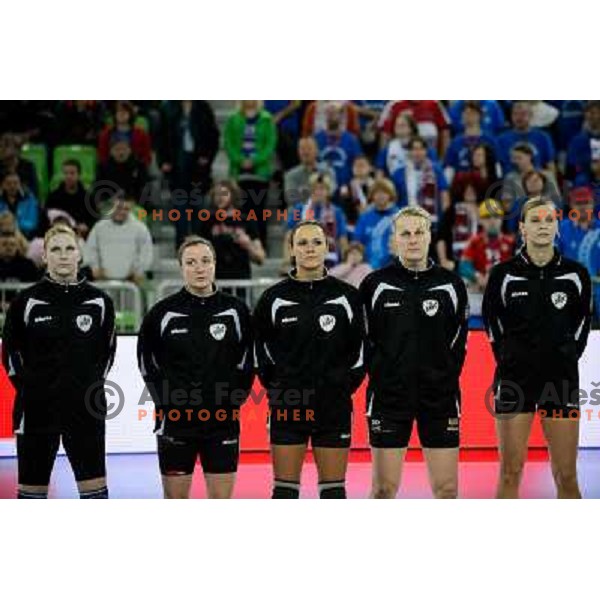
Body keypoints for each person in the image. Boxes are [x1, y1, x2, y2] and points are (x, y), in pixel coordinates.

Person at [483, 196, 592, 499]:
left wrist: (564, 357)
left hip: (561, 382)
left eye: (549, 220)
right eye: (535, 220)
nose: (542, 226)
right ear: (522, 229)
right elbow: (493, 329)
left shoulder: (576, 275)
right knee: (510, 472)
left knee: (567, 475)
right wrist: (512, 360)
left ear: (557, 227)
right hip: (514, 381)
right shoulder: (503, 275)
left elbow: (581, 328)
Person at [359, 206, 469, 498]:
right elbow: (364, 341)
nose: (412, 239)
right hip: (389, 399)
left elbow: (459, 343)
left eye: (419, 232)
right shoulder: (374, 285)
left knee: (447, 490)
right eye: (405, 233)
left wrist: (441, 378)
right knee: (383, 490)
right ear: (394, 239)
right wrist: (385, 377)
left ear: (429, 236)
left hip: (440, 399)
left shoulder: (451, 284)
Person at [1, 224, 116, 499]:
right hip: (37, 411)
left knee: (96, 495)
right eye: (55, 249)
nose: (63, 255)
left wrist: (85, 387)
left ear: (79, 254)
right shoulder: (25, 302)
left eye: (69, 249)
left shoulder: (100, 301)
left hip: (85, 410)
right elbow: (10, 356)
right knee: (32, 495)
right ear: (44, 257)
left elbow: (107, 354)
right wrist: (33, 391)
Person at [254, 220, 366, 499]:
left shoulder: (348, 296)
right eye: (302, 243)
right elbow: (260, 352)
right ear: (292, 249)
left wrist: (340, 386)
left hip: (334, 407)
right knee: (284, 493)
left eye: (317, 242)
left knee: (333, 493)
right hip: (288, 407)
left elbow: (361, 350)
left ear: (327, 247)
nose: (310, 248)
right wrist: (281, 389)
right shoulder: (273, 298)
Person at [137, 236, 253, 499]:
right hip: (176, 423)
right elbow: (146, 363)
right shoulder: (161, 313)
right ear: (181, 268)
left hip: (222, 421)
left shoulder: (237, 311)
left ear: (214, 265)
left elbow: (248, 360)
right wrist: (168, 403)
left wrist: (233, 399)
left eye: (205, 261)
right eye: (191, 262)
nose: (199, 268)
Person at [223, 101, 277, 248]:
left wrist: (254, 161)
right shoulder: (233, 119)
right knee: (241, 211)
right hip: (238, 173)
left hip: (260, 173)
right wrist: (240, 160)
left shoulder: (267, 119)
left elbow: (270, 144)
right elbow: (228, 143)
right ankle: (243, 245)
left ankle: (261, 245)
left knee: (259, 211)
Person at [198, 180, 266, 281]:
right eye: (216, 194)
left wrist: (248, 245)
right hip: (215, 280)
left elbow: (260, 258)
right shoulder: (207, 221)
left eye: (224, 194)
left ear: (233, 195)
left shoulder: (246, 220)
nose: (219, 198)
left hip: (241, 278)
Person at [84, 193, 153, 285]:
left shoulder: (140, 228)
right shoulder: (99, 227)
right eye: (119, 208)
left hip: (131, 282)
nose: (121, 212)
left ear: (131, 209)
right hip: (103, 281)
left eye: (126, 209)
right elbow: (90, 249)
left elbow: (146, 252)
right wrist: (95, 268)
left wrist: (139, 271)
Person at [159, 100, 220, 205]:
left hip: (199, 161)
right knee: (179, 201)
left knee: (197, 201)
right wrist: (163, 160)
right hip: (176, 160)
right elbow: (160, 135)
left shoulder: (203, 107)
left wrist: (207, 156)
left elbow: (213, 135)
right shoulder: (167, 107)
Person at [285, 173, 348, 270]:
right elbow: (289, 235)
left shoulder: (336, 211)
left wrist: (345, 261)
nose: (318, 192)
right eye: (315, 189)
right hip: (302, 258)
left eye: (322, 189)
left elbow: (342, 238)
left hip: (330, 260)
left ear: (328, 191)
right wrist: (287, 261)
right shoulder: (300, 209)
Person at [393, 136, 450, 229]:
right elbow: (393, 200)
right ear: (409, 152)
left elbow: (445, 197)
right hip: (406, 222)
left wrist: (444, 222)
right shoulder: (398, 173)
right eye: (414, 149)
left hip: (432, 223)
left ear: (426, 151)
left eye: (421, 149)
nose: (417, 153)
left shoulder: (436, 171)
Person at [459, 200, 515, 292]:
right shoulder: (474, 242)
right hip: (480, 291)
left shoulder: (511, 243)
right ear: (480, 220)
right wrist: (477, 276)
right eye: (487, 217)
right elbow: (464, 266)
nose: (492, 221)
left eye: (496, 216)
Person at [444, 101, 498, 181]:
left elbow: (496, 165)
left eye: (472, 113)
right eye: (465, 113)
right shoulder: (455, 142)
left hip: (485, 183)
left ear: (480, 116)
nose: (468, 116)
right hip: (462, 183)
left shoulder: (490, 140)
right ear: (461, 116)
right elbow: (449, 168)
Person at [496, 101, 556, 174]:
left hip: (536, 181)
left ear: (531, 115)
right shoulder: (501, 140)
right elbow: (498, 166)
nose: (519, 117)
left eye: (523, 114)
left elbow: (550, 165)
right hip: (510, 182)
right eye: (515, 114)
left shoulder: (543, 138)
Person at [352, 178, 399, 269]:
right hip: (368, 267)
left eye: (384, 192)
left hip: (393, 267)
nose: (380, 196)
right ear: (372, 196)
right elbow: (357, 243)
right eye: (377, 193)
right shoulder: (365, 217)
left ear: (390, 194)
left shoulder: (399, 216)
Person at [314, 103, 363, 187]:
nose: (331, 116)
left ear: (341, 117)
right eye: (329, 113)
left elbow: (358, 164)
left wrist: (354, 182)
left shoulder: (351, 139)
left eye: (334, 113)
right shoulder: (316, 138)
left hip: (346, 186)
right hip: (321, 185)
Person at [376, 113, 436, 179]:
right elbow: (379, 173)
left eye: (402, 125)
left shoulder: (425, 148)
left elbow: (435, 170)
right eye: (397, 125)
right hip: (395, 185)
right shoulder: (388, 149)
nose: (398, 128)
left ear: (411, 128)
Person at [379, 100, 451, 156]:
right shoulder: (394, 105)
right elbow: (385, 135)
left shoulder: (435, 103)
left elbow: (445, 133)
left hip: (430, 159)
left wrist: (442, 161)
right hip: (400, 158)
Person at [437, 181, 480, 271]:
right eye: (467, 190)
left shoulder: (485, 211)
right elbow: (441, 236)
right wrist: (443, 260)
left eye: (472, 190)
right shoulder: (452, 210)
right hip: (455, 262)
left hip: (479, 262)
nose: (470, 192)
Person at [46, 159, 96, 236]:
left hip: (82, 236)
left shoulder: (88, 197)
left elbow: (94, 219)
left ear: (79, 175)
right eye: (66, 173)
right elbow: (46, 219)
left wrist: (87, 226)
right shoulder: (54, 196)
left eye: (72, 173)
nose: (68, 176)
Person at [284, 137, 337, 206]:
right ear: (298, 152)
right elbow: (292, 198)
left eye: (309, 148)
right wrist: (318, 191)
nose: (306, 152)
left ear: (317, 151)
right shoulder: (290, 175)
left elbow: (330, 193)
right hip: (298, 214)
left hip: (322, 212)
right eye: (302, 149)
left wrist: (303, 192)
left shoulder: (327, 171)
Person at [98, 101, 152, 168]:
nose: (122, 114)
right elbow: (102, 158)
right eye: (119, 111)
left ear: (130, 114)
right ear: (115, 114)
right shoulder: (105, 134)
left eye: (125, 112)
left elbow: (147, 157)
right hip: (111, 170)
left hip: (134, 170)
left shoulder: (142, 134)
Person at [566, 101, 600, 182]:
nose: (591, 116)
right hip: (584, 183)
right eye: (588, 113)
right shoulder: (577, 140)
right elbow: (570, 169)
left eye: (594, 113)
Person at [0, 171, 40, 239]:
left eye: (15, 183)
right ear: (3, 185)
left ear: (20, 184)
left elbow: (32, 223)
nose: (12, 186)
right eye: (8, 183)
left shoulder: (29, 199)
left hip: (26, 236)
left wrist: (12, 224)